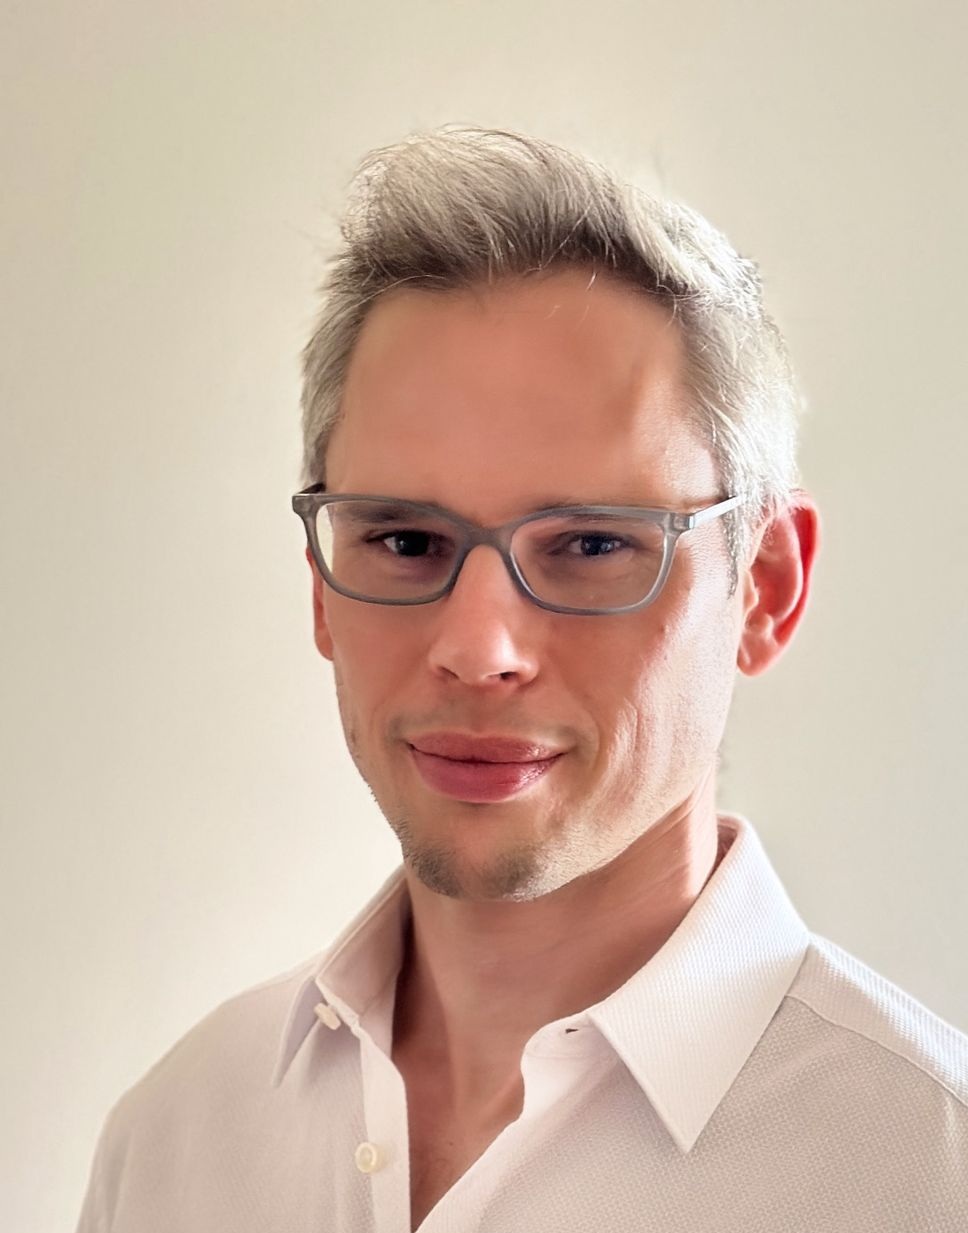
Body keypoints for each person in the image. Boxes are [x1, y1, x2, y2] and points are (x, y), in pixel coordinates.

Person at [77, 126, 968, 1232]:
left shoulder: (928, 1175)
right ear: (320, 588)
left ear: (765, 588)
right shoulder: (174, 1142)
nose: (478, 646)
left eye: (591, 544)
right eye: (404, 540)